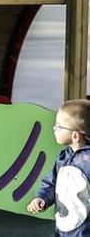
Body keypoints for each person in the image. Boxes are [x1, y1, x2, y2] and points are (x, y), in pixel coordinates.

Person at [27, 99, 90, 235]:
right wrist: (41, 198)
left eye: (58, 127)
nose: (54, 129)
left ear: (75, 135)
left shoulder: (88, 161)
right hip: (63, 227)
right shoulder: (63, 157)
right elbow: (51, 183)